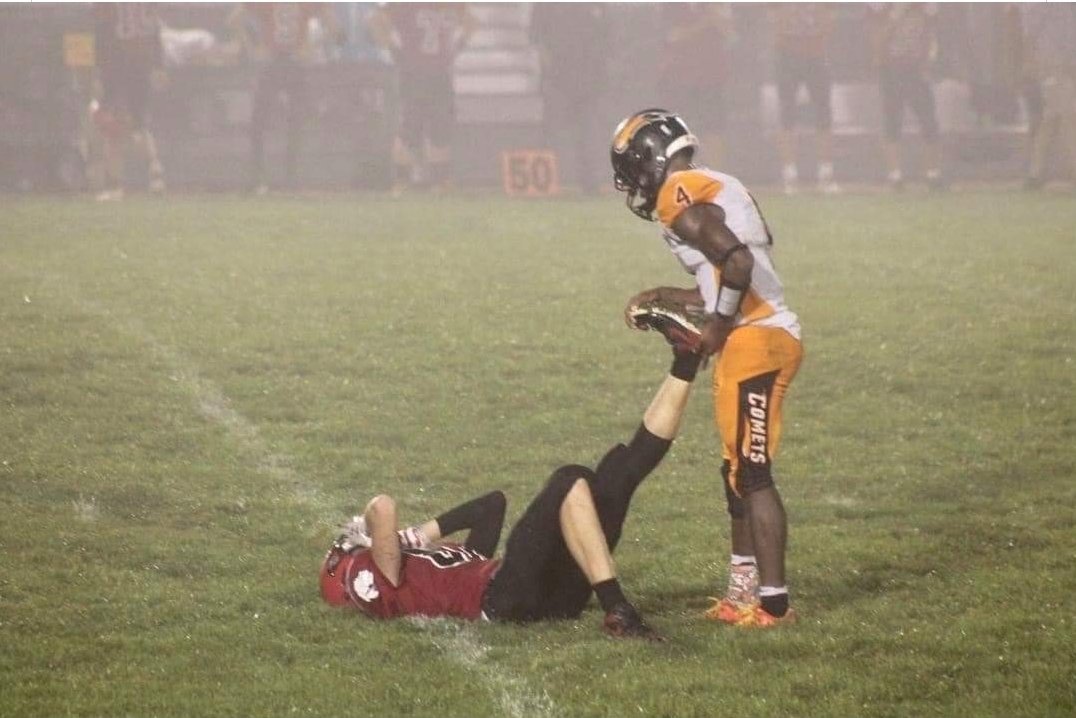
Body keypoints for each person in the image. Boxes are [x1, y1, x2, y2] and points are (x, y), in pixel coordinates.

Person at [320, 346, 704, 639]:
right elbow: (382, 507)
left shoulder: (431, 567)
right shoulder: (384, 578)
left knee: (613, 478)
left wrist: (422, 535)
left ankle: (686, 359)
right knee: (570, 478)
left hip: (552, 600)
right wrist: (372, 534)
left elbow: (492, 505)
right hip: (502, 598)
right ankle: (617, 608)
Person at [611, 109, 803, 628]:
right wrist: (662, 295)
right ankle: (741, 593)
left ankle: (775, 605)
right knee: (736, 470)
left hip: (756, 340)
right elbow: (723, 274)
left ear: (651, 157)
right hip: (756, 336)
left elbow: (737, 263)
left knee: (754, 473)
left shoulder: (679, 194)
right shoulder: (710, 183)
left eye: (632, 167)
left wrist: (717, 326)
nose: (632, 182)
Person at [368, 3, 475, 195]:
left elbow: (471, 22)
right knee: (411, 126)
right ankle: (402, 180)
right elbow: (375, 21)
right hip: (415, 71)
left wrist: (459, 45)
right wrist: (393, 49)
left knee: (440, 127)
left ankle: (439, 181)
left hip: (438, 72)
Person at [232, 3, 335, 194]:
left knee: (286, 121)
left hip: (287, 63)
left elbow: (332, 25)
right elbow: (235, 19)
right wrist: (252, 48)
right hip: (279, 62)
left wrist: (310, 47)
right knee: (267, 122)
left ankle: (278, 178)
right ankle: (272, 178)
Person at [531, 3, 609, 195]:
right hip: (559, 76)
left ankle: (590, 182)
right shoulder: (546, 6)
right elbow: (537, 38)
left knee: (589, 131)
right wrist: (548, 69)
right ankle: (546, 180)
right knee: (553, 129)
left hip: (589, 77)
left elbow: (607, 35)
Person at [92, 2, 167, 200]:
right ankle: (155, 171)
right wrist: (158, 65)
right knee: (140, 125)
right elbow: (154, 30)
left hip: (116, 66)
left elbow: (102, 31)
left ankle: (114, 185)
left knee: (112, 127)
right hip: (141, 64)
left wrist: (99, 73)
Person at [870, 4, 944, 191]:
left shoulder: (925, 8)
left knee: (929, 121)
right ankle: (895, 175)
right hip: (892, 69)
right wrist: (897, 14)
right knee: (892, 121)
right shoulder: (885, 8)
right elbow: (878, 40)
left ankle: (933, 174)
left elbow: (931, 35)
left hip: (916, 70)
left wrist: (928, 62)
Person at [769, 3, 840, 195]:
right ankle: (789, 174)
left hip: (816, 55)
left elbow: (830, 18)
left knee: (824, 114)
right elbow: (773, 17)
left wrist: (815, 33)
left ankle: (826, 173)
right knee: (787, 115)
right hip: (787, 55)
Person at [1021, 3, 1076, 189]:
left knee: (1051, 118)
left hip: (1063, 63)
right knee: (1068, 116)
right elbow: (1030, 36)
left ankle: (1035, 172)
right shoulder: (1044, 6)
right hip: (1055, 63)